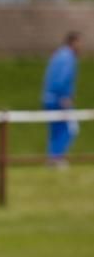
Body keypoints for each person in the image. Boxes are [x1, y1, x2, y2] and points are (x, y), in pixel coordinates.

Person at [42, 31, 81, 166]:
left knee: (56, 130)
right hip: (59, 99)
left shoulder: (58, 54)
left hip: (48, 97)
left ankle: (52, 158)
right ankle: (57, 159)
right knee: (69, 129)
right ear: (73, 42)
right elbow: (61, 78)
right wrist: (64, 96)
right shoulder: (68, 57)